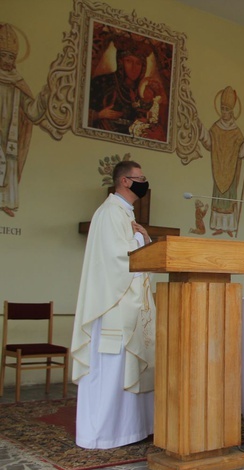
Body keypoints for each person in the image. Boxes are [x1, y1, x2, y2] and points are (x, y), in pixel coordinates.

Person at [71, 161, 156, 449]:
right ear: (125, 182)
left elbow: (135, 252)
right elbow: (116, 259)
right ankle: (102, 433)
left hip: (128, 306)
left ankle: (130, 429)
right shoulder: (109, 213)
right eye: (140, 178)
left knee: (126, 368)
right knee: (111, 371)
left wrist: (144, 239)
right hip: (113, 307)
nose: (145, 183)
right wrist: (138, 239)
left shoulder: (124, 213)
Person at [0, 23, 46, 218]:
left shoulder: (17, 81)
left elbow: (32, 113)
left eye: (11, 57)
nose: (7, 60)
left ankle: (5, 202)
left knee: (8, 162)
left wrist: (44, 98)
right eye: (4, 55)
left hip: (9, 133)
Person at [199, 86, 244, 237]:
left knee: (229, 200)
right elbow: (209, 142)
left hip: (231, 171)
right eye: (222, 109)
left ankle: (229, 227)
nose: (224, 112)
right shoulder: (216, 128)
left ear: (232, 111)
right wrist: (201, 130)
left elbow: (241, 151)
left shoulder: (236, 131)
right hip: (219, 168)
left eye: (227, 109)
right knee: (218, 198)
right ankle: (218, 226)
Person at [88, 37, 153, 136]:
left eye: (138, 63)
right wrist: (98, 115)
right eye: (128, 61)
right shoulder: (102, 82)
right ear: (120, 62)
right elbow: (81, 113)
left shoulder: (142, 90)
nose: (133, 68)